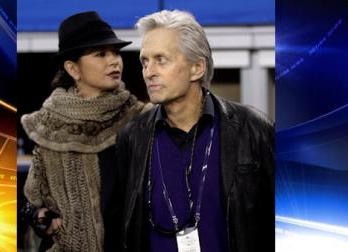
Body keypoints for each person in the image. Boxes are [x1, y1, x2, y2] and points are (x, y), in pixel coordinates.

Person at [116, 10, 274, 252]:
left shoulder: (252, 128)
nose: (149, 72)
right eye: (144, 61)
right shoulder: (132, 136)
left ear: (197, 68)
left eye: (161, 59)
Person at [20, 11, 149, 252]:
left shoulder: (139, 120)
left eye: (116, 52)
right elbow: (32, 202)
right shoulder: (49, 128)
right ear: (72, 68)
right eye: (101, 54)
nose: (114, 61)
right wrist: (39, 216)